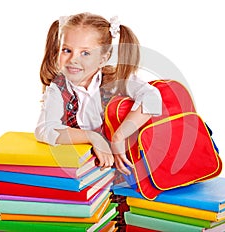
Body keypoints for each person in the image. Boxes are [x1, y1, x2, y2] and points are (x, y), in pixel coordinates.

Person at [35, 12, 162, 175]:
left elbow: (152, 98)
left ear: (103, 59)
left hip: (127, 163)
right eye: (67, 50)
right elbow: (44, 129)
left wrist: (119, 137)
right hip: (87, 170)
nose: (73, 59)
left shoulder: (116, 80)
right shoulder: (58, 89)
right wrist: (92, 137)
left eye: (85, 53)